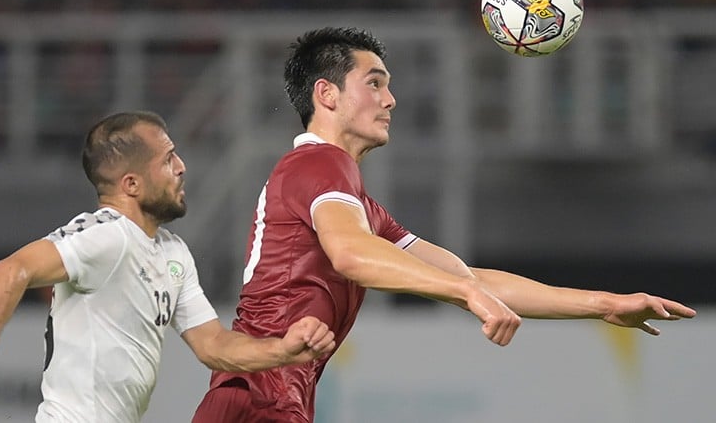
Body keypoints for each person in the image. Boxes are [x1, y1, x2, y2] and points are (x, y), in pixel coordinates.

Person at [191, 27, 698, 423]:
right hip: (259, 400)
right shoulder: (319, 164)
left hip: (267, 400)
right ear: (326, 94)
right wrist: (465, 294)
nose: (390, 101)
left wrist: (605, 305)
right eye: (375, 84)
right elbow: (350, 256)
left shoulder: (357, 206)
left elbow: (473, 279)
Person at [0, 111, 336, 422]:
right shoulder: (107, 236)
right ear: (132, 185)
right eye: (168, 159)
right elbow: (11, 270)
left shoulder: (173, 253)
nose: (181, 167)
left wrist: (282, 349)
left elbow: (213, 345)